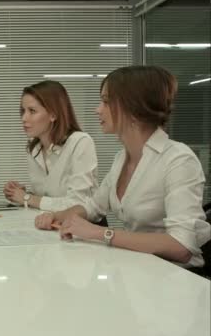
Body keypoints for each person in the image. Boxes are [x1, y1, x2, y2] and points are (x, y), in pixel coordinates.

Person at [35, 66, 211, 267]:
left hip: (177, 278)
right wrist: (57, 216)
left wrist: (101, 233)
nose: (98, 109)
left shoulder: (178, 160)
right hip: (140, 270)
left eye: (106, 101)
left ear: (134, 107)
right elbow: (93, 207)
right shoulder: (121, 158)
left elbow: (182, 246)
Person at [3, 80, 98, 211]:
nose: (24, 118)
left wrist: (26, 198)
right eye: (23, 111)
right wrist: (22, 194)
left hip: (83, 227)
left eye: (32, 111)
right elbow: (49, 197)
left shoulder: (80, 142)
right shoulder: (34, 148)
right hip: (52, 224)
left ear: (53, 114)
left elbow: (78, 204)